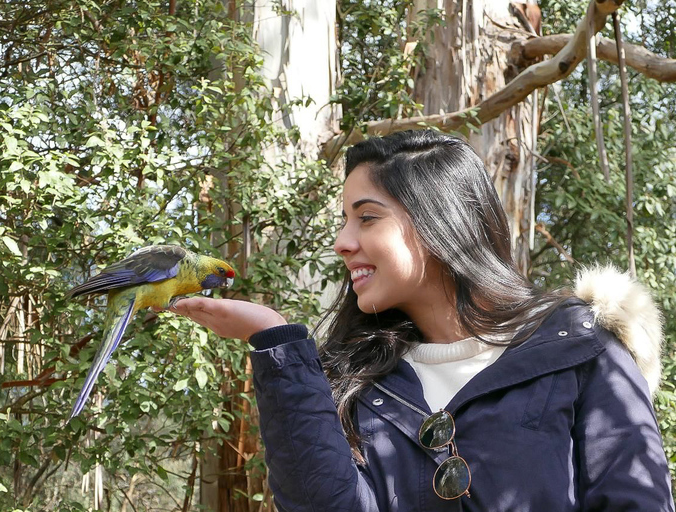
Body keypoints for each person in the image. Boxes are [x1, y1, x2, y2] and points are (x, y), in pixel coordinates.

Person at [167, 130, 674, 511]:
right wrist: (276, 342)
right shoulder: (357, 381)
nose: (343, 241)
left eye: (366, 217)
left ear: (440, 222)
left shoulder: (581, 349)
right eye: (345, 221)